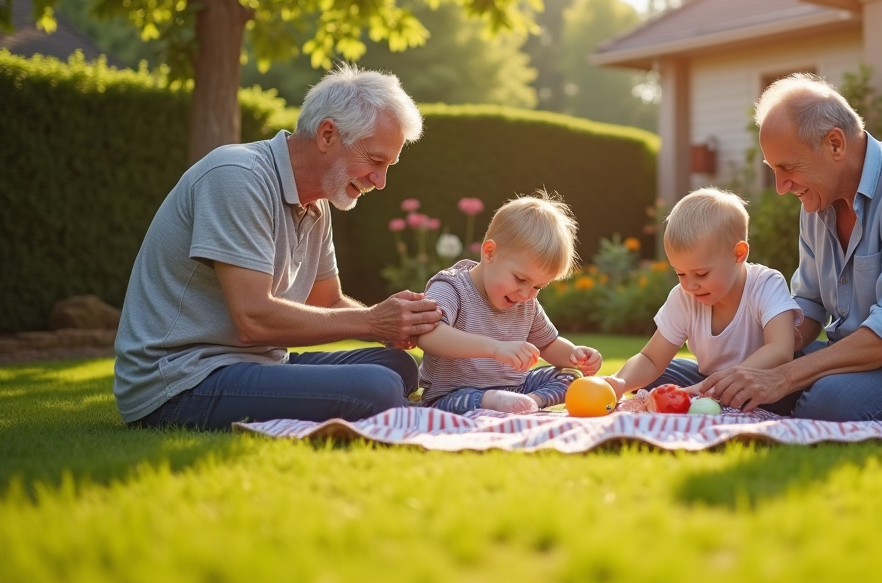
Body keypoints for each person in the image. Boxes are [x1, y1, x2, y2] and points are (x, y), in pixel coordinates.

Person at [114, 65, 444, 430]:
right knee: (376, 387)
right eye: (375, 161)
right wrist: (372, 319)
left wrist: (393, 327)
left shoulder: (317, 204)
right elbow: (252, 318)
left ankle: (397, 404)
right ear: (328, 134)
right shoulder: (238, 176)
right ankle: (411, 412)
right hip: (180, 383)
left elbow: (328, 302)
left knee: (398, 367)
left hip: (254, 364)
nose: (380, 182)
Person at [697, 73, 882, 420]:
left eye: (787, 168)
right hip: (859, 360)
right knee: (706, 377)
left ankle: (792, 399)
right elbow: (809, 303)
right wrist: (751, 354)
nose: (781, 187)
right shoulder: (817, 201)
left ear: (835, 144)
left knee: (829, 401)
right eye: (773, 169)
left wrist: (781, 378)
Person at [605, 188, 803, 413]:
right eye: (680, 273)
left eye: (701, 274)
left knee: (792, 396)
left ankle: (709, 397)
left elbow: (780, 350)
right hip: (706, 379)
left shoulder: (766, 284)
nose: (689, 285)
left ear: (738, 254)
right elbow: (651, 358)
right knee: (663, 375)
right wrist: (619, 382)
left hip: (764, 385)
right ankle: (703, 396)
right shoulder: (684, 297)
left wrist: (707, 387)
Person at [417, 192, 603, 414]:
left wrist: (576, 355)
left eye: (538, 287)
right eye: (520, 279)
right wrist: (494, 349)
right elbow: (428, 334)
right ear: (490, 253)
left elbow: (547, 344)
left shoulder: (525, 304)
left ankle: (531, 401)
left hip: (517, 388)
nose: (526, 294)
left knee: (571, 376)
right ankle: (495, 401)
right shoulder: (452, 287)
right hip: (453, 393)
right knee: (453, 401)